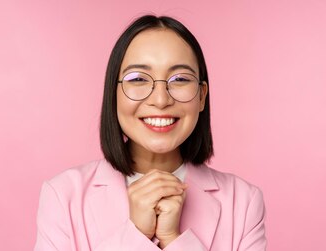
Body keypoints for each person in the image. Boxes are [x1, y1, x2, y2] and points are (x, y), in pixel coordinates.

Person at [33, 15, 267, 251]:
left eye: (180, 79)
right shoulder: (63, 195)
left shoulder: (244, 202)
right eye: (138, 79)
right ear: (113, 93)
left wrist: (174, 239)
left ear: (201, 96)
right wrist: (136, 236)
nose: (161, 99)